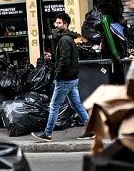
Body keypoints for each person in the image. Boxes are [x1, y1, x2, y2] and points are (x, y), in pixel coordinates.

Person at [33, 12, 91, 142]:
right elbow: (63, 58)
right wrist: (52, 58)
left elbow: (65, 61)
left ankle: (47, 134)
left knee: (54, 106)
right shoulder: (68, 39)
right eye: (56, 22)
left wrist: (57, 76)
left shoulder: (64, 40)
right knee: (77, 105)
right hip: (72, 79)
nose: (56, 25)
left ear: (65, 24)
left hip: (64, 80)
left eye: (59, 23)